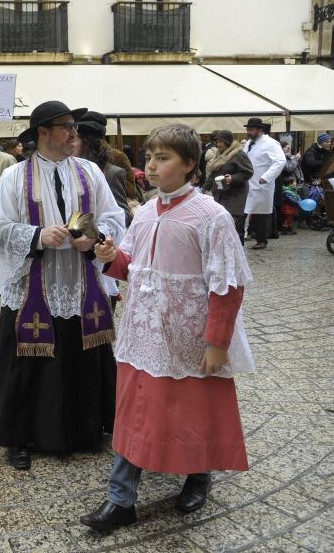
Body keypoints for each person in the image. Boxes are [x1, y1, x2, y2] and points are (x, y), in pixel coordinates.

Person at [81, 124, 254, 532]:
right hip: (143, 333)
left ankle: (198, 474)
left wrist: (217, 342)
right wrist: (107, 255)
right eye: (150, 158)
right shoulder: (143, 212)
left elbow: (227, 283)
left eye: (163, 158)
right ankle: (121, 499)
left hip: (188, 335)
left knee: (192, 412)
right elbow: (128, 265)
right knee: (134, 412)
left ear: (190, 164)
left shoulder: (211, 216)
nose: (152, 167)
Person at [0, 101, 125, 471]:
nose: (73, 135)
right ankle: (20, 436)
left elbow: (114, 216)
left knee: (80, 361)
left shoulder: (89, 171)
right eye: (66, 127)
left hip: (79, 285)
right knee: (27, 364)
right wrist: (37, 236)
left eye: (74, 127)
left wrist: (93, 237)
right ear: (42, 133)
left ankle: (83, 430)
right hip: (36, 288)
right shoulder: (14, 178)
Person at [75, 115, 132, 226]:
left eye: (73, 139)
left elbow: (124, 215)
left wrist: (99, 227)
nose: (69, 144)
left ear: (87, 143)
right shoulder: (68, 170)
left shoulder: (112, 173)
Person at [202, 130, 252, 244]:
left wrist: (233, 178)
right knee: (221, 225)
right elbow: (213, 174)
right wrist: (203, 189)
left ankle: (234, 250)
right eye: (216, 142)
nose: (217, 144)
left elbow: (248, 172)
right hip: (220, 193)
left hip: (235, 195)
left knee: (229, 225)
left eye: (220, 142)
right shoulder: (220, 154)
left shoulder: (239, 154)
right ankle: (224, 249)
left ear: (227, 142)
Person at [242, 118, 286, 251]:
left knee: (261, 213)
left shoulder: (271, 143)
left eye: (251, 129)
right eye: (247, 129)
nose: (248, 132)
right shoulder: (249, 143)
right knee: (243, 211)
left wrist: (266, 177)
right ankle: (239, 237)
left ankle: (261, 240)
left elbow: (280, 161)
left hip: (262, 183)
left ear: (260, 130)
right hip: (248, 182)